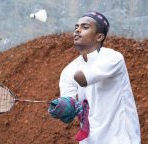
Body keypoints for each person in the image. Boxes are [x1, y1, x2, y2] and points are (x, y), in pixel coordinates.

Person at [59, 11, 141, 144]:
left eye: (85, 27)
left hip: (120, 137)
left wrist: (70, 103)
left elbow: (83, 78)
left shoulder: (113, 58)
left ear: (99, 37)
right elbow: (69, 108)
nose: (78, 31)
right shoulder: (69, 69)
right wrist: (63, 109)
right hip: (89, 140)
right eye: (76, 27)